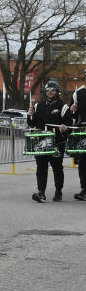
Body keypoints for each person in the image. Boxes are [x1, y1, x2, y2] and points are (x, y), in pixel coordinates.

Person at [28, 79, 72, 202]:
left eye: (53, 90)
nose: (50, 92)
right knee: (41, 167)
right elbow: (32, 124)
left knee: (57, 168)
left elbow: (69, 124)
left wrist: (65, 128)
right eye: (48, 90)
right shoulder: (38, 106)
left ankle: (58, 191)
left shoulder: (63, 107)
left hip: (57, 142)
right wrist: (30, 114)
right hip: (42, 142)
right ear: (45, 91)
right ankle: (41, 192)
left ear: (57, 91)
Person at [70, 70, 86, 200]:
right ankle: (84, 189)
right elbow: (74, 116)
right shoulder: (78, 93)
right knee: (83, 161)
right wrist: (73, 111)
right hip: (83, 129)